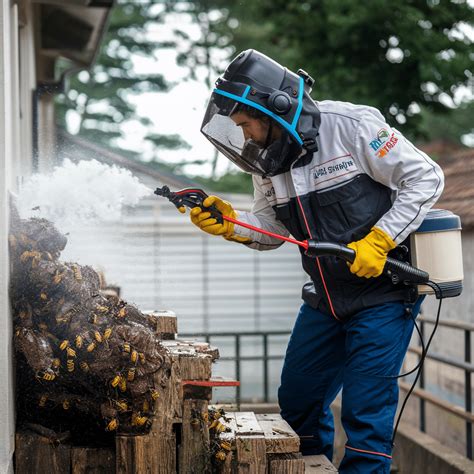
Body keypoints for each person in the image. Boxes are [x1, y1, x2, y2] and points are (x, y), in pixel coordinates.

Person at [186, 49, 444, 473]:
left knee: (364, 414)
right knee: (298, 402)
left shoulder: (353, 127)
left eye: (247, 123)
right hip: (325, 298)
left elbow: (426, 176)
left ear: (275, 107)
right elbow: (272, 227)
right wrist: (231, 222)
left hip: (382, 296)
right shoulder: (268, 161)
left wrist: (379, 240)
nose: (245, 135)